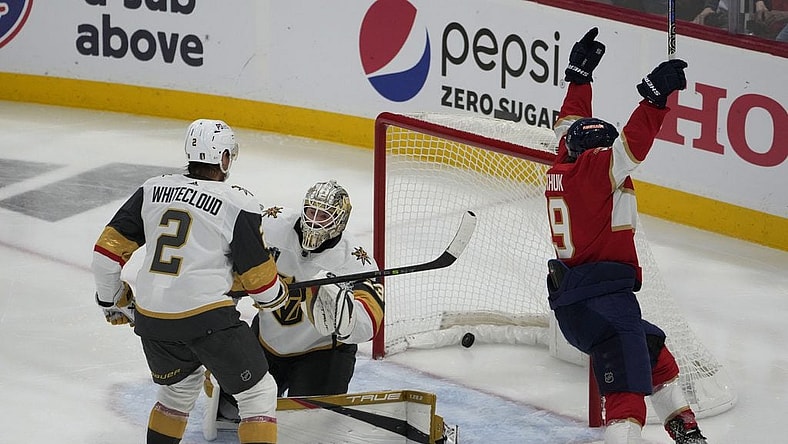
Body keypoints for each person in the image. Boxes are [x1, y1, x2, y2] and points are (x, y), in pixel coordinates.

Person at [544, 28, 707, 443]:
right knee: (628, 397)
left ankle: (686, 432)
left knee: (654, 352)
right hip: (603, 303)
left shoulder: (563, 159)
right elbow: (632, 147)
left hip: (580, 300)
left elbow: (570, 123)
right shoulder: (597, 172)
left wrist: (579, 76)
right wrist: (654, 99)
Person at [92, 119, 288, 444]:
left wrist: (112, 300)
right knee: (258, 394)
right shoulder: (238, 203)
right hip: (207, 318)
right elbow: (261, 283)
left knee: (176, 393)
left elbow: (105, 253)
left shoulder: (152, 189)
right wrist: (276, 296)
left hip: (153, 319)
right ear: (223, 158)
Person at [208, 179, 384, 423]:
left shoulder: (354, 261)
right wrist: (217, 333)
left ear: (340, 221)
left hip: (321, 354)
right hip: (267, 342)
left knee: (309, 428)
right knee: (229, 413)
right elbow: (228, 265)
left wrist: (347, 321)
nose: (314, 220)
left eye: (323, 215)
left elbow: (370, 323)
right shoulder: (271, 226)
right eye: (311, 211)